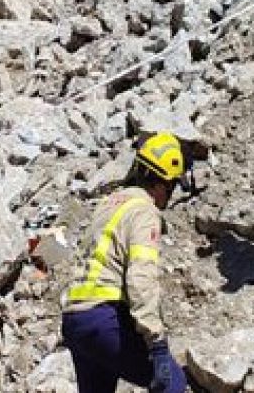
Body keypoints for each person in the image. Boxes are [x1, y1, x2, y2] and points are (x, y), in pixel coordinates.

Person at [60, 132, 189, 393]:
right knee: (172, 385)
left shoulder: (110, 204)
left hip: (75, 319)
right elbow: (140, 278)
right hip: (105, 319)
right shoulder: (144, 212)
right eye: (172, 186)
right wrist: (157, 343)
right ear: (162, 184)